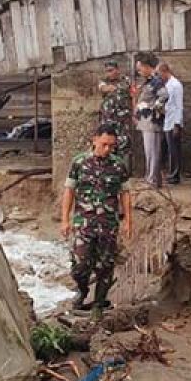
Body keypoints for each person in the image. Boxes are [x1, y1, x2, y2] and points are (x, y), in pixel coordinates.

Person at [60, 125, 134, 317]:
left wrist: (128, 221)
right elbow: (69, 191)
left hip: (108, 225)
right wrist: (64, 220)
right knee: (80, 265)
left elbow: (125, 193)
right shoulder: (79, 163)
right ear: (94, 140)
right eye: (104, 144)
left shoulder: (118, 165)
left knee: (105, 267)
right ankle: (83, 290)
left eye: (112, 146)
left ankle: (99, 303)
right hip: (84, 223)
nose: (108, 149)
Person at [132, 53, 168, 189]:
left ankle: (152, 180)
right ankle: (152, 178)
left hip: (151, 121)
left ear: (147, 67)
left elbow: (164, 95)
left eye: (140, 68)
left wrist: (153, 108)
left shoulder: (155, 81)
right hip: (146, 121)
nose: (139, 71)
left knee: (152, 151)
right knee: (150, 151)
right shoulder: (148, 81)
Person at [97, 60, 132, 170]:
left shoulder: (126, 80)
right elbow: (103, 88)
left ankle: (124, 170)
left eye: (111, 70)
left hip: (123, 119)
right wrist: (112, 88)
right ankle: (108, 168)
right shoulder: (103, 81)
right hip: (108, 119)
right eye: (107, 71)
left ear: (117, 70)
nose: (109, 73)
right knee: (107, 143)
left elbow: (133, 94)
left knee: (124, 143)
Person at [158, 61, 184, 185]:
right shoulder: (167, 84)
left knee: (174, 150)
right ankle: (171, 173)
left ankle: (175, 174)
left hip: (173, 121)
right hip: (167, 120)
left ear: (165, 71)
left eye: (159, 74)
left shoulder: (176, 85)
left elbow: (179, 105)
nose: (159, 77)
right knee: (169, 149)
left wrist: (177, 124)